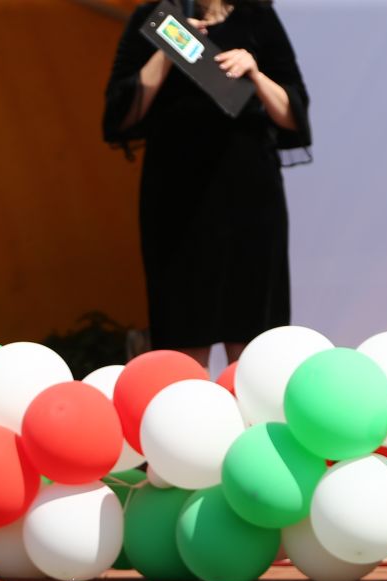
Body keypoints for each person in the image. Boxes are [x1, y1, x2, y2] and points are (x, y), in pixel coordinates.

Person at [102, 0, 309, 367]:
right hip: (178, 202)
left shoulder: (256, 16)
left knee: (253, 337)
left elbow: (294, 116)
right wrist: (167, 53)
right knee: (183, 331)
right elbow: (120, 116)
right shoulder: (155, 18)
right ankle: (188, 419)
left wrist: (255, 74)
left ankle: (253, 419)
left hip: (251, 199)